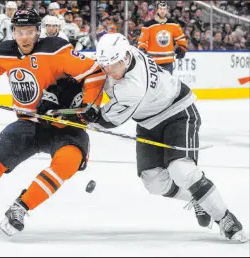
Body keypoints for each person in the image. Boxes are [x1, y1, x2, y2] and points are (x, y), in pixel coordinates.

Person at [0, 8, 105, 236]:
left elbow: (96, 73)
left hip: (63, 124)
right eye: (19, 31)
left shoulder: (56, 50)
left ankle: (20, 207)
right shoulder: (6, 52)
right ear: (13, 32)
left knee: (69, 160)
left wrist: (88, 106)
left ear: (38, 32)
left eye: (29, 31)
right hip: (28, 124)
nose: (24, 37)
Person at [91, 33, 248, 243]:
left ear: (126, 57)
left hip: (178, 111)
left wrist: (87, 117)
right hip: (148, 122)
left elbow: (107, 120)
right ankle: (199, 197)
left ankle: (225, 219)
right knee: (154, 182)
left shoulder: (134, 86)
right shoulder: (121, 55)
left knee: (181, 169)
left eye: (113, 65)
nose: (109, 70)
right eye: (105, 65)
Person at [138, 1, 187, 74]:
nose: (163, 11)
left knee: (167, 84)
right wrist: (142, 49)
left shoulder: (173, 24)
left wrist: (182, 47)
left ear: (167, 10)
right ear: (157, 10)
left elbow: (181, 38)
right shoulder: (148, 25)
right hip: (152, 62)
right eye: (160, 9)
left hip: (167, 61)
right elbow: (142, 41)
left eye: (164, 9)